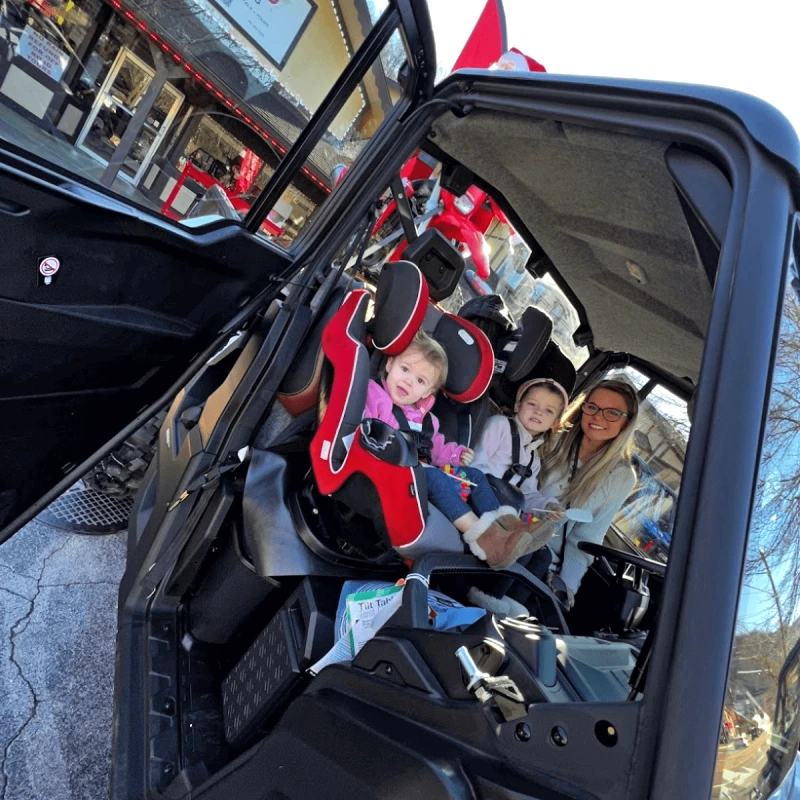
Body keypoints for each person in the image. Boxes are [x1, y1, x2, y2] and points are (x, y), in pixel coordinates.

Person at [363, 330, 550, 565]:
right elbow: (365, 429)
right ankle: (485, 540)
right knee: (434, 477)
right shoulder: (374, 394)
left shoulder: (426, 420)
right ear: (390, 364)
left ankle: (507, 528)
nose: (408, 381)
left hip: (419, 471)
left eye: (420, 381)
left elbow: (437, 449)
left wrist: (455, 454)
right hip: (389, 472)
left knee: (476, 476)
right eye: (405, 369)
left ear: (428, 392)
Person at [474, 379, 639, 615]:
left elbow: (586, 538)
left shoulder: (622, 477)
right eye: (592, 407)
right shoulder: (551, 436)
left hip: (545, 562)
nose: (598, 417)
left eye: (612, 413)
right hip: (505, 529)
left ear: (626, 422)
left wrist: (566, 588)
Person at [470, 377, 570, 512]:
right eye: (532, 404)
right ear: (518, 405)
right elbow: (474, 464)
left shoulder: (534, 459)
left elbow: (527, 496)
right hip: (470, 497)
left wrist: (547, 507)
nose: (538, 412)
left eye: (549, 411)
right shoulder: (499, 426)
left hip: (496, 512)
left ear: (555, 423)